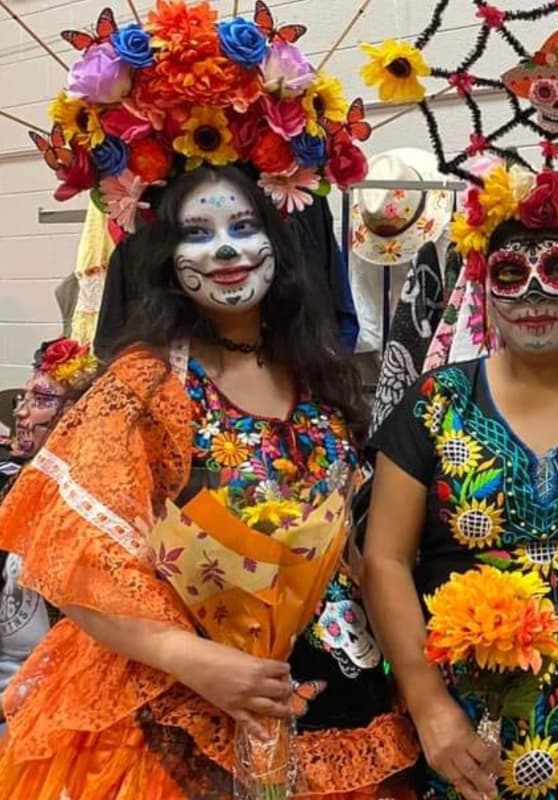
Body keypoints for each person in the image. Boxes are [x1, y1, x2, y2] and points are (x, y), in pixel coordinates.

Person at [0, 4, 415, 794]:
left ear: (279, 244)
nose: (226, 251)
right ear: (165, 257)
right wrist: (200, 663)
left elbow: (347, 550)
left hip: (323, 694)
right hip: (167, 707)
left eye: (243, 228)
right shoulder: (145, 386)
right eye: (199, 234)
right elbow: (73, 563)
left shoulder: (319, 381)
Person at [363, 163, 558, 800]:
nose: (533, 295)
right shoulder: (436, 401)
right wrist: (427, 701)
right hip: (459, 710)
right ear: (484, 287)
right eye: (509, 274)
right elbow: (383, 558)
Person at [0, 337, 100, 736]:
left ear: (75, 417)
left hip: (59, 714)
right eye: (20, 399)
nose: (21, 413)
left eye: (39, 400)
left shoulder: (97, 505)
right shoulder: (8, 484)